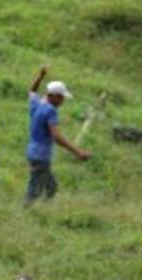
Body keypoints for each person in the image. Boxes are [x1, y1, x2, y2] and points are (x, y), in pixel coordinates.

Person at [24, 64, 90, 204]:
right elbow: (57, 137)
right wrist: (77, 151)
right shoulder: (50, 111)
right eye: (61, 97)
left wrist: (40, 76)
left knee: (51, 187)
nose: (62, 101)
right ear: (53, 96)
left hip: (32, 152)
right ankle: (24, 213)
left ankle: (44, 213)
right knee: (34, 190)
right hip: (41, 156)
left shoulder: (37, 105)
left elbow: (32, 91)